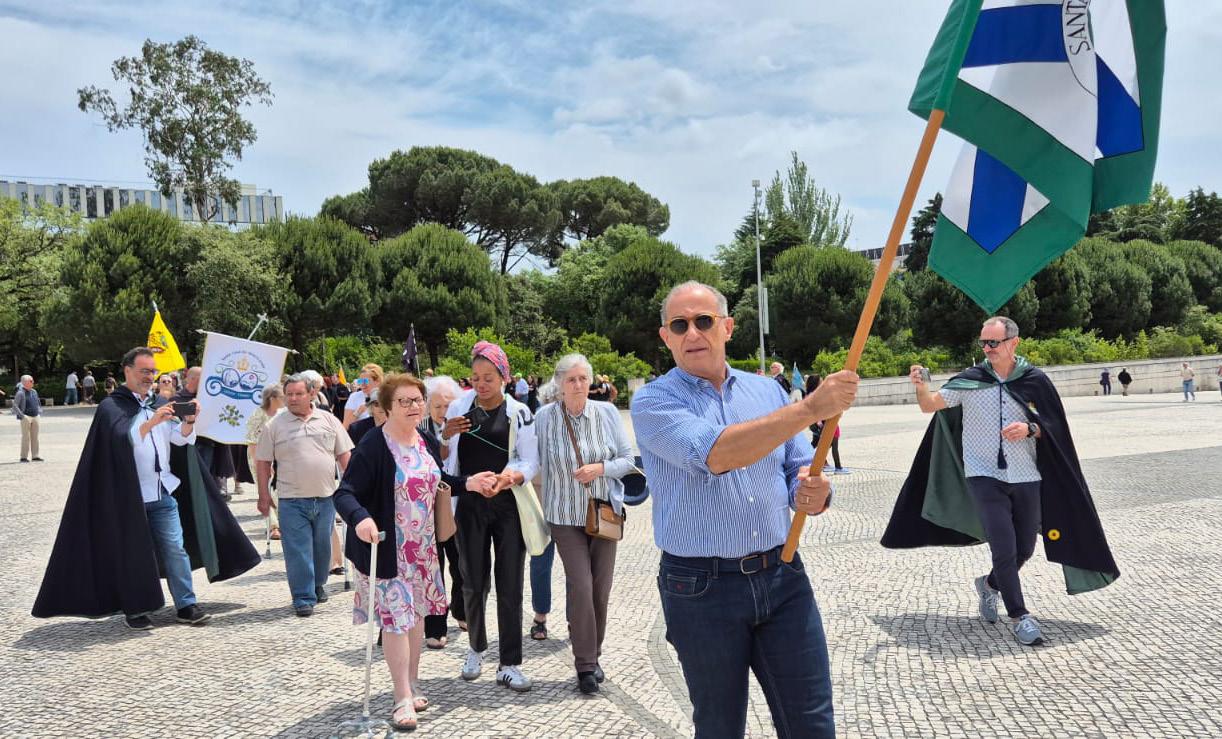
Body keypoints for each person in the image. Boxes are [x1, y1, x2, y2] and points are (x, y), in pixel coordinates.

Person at [631, 281, 858, 738]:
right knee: (719, 726)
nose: (693, 333)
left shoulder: (766, 391)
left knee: (812, 722)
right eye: (680, 325)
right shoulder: (653, 401)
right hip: (700, 588)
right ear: (666, 336)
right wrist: (810, 408)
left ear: (728, 327)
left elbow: (797, 466)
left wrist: (812, 491)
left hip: (783, 573)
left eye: (704, 321)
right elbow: (715, 454)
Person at [884, 317, 1120, 648]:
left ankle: (990, 584)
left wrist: (1030, 429)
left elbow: (1054, 426)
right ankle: (1020, 617)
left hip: (1027, 475)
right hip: (983, 475)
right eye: (983, 342)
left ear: (1014, 342)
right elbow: (930, 406)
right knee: (1004, 547)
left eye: (993, 342)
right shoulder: (970, 381)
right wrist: (921, 386)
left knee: (1025, 548)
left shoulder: (1035, 381)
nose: (987, 348)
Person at [32, 347, 259, 628]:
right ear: (127, 371)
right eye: (144, 371)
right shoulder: (112, 407)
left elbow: (178, 440)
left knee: (175, 549)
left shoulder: (158, 403)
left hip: (163, 492)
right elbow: (121, 441)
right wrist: (151, 422)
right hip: (128, 497)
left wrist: (188, 423)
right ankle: (137, 608)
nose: (149, 377)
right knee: (134, 553)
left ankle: (186, 605)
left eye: (152, 371)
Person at [335, 374, 469, 731]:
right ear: (388, 407)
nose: (413, 407)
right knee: (396, 621)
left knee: (417, 618)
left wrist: (470, 483)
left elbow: (439, 480)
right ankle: (401, 698)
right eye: (404, 401)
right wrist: (361, 518)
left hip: (423, 549)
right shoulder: (373, 445)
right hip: (387, 549)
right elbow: (344, 493)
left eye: (417, 400)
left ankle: (412, 682)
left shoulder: (425, 440)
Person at [442, 341, 539, 692]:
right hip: (469, 502)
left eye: (489, 377)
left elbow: (530, 460)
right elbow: (442, 458)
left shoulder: (519, 412)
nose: (481, 384)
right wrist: (446, 434)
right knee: (472, 579)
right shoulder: (458, 407)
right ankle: (476, 648)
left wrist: (508, 478)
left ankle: (510, 662)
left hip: (507, 503)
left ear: (504, 377)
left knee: (510, 582)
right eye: (475, 377)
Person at [535, 353, 635, 694]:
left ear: (590, 382)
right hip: (564, 516)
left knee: (600, 589)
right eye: (571, 380)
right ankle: (585, 665)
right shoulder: (545, 418)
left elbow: (627, 460)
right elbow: (532, 460)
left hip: (603, 513)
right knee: (581, 585)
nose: (578, 385)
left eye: (582, 379)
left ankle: (595, 652)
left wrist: (600, 469)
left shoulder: (606, 413)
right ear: (560, 385)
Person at [255, 374, 354, 616]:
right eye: (289, 394)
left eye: (298, 394)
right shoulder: (275, 425)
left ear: (311, 394)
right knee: (297, 550)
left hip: (325, 497)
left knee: (322, 548)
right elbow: (263, 462)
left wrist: (353, 489)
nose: (293, 398)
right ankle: (302, 596)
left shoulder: (328, 420)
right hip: (291, 499)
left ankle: (318, 583)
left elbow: (344, 455)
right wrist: (263, 495)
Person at [420, 375, 466, 648]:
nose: (442, 411)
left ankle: (462, 610)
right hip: (429, 509)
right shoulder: (420, 429)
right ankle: (435, 625)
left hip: (460, 506)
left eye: (447, 405)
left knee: (463, 565)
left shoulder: (466, 424)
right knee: (433, 568)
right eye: (436, 406)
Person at [247, 384, 284, 540]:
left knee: (281, 492)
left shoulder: (284, 413)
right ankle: (273, 526)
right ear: (272, 398)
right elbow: (252, 442)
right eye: (282, 396)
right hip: (261, 457)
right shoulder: (258, 415)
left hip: (281, 458)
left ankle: (285, 523)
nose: (285, 399)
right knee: (266, 491)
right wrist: (262, 465)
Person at [344, 364, 384, 430]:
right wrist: (358, 412)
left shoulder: (387, 396)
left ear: (377, 381)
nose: (362, 384)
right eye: (360, 381)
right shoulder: (354, 397)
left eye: (365, 381)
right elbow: (345, 427)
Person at [14, 375, 43, 462]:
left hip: (36, 416)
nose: (33, 382)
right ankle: (23, 457)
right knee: (26, 437)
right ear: (25, 382)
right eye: (31, 381)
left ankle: (35, 456)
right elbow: (15, 406)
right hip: (26, 417)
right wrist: (22, 416)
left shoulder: (34, 391)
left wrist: (39, 411)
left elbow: (38, 402)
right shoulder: (20, 393)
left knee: (35, 437)